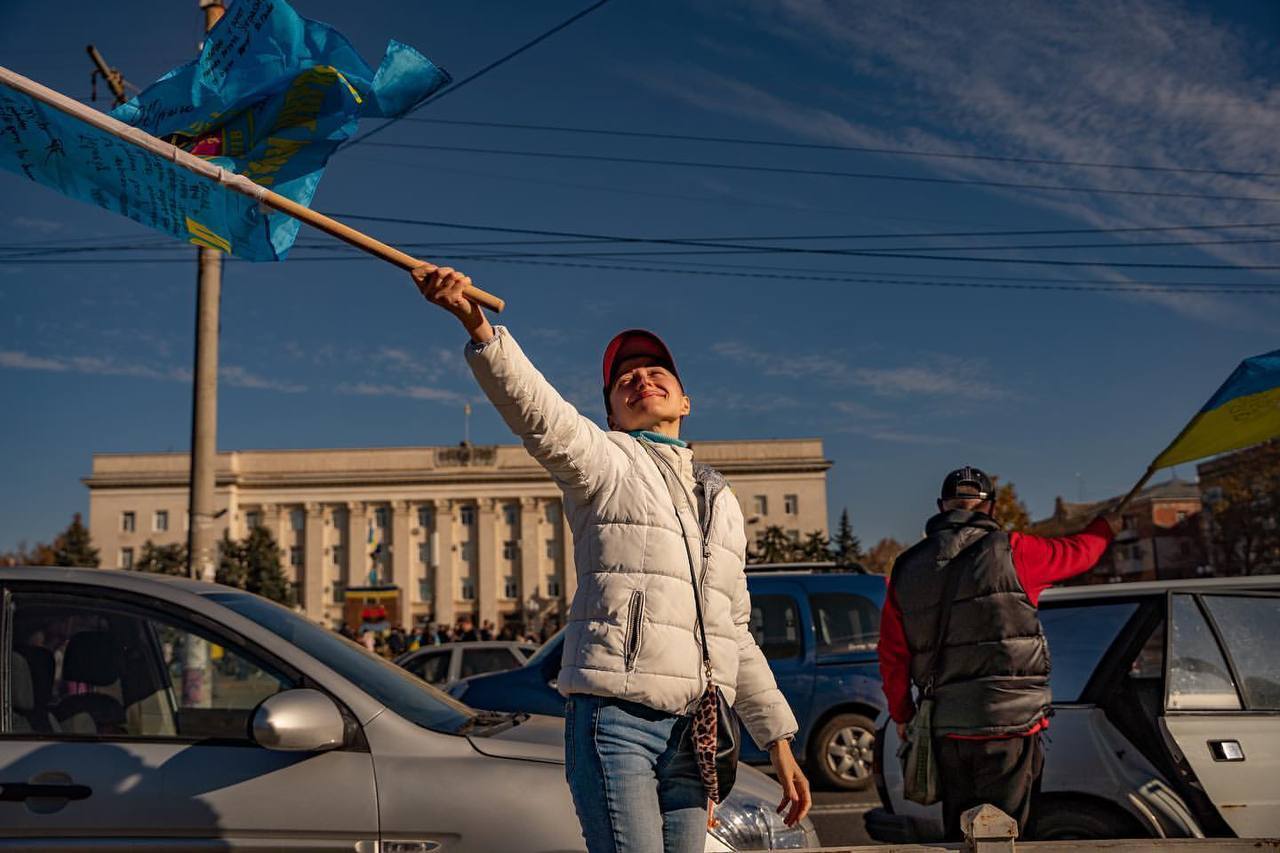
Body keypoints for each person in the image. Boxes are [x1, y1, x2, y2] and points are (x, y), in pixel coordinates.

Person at [415, 265, 810, 853]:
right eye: (624, 379)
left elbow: (732, 629)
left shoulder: (721, 501)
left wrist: (777, 739)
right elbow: (540, 414)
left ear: (685, 400)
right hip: (615, 725)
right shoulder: (607, 464)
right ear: (612, 415)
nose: (640, 379)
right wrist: (477, 325)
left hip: (695, 734)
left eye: (655, 372)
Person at [877, 466, 1115, 840]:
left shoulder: (907, 567)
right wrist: (1104, 528)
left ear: (942, 507)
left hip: (948, 728)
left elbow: (892, 653)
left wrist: (902, 713)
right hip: (1012, 725)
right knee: (1009, 833)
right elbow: (1081, 554)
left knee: (962, 833)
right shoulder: (1016, 551)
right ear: (990, 508)